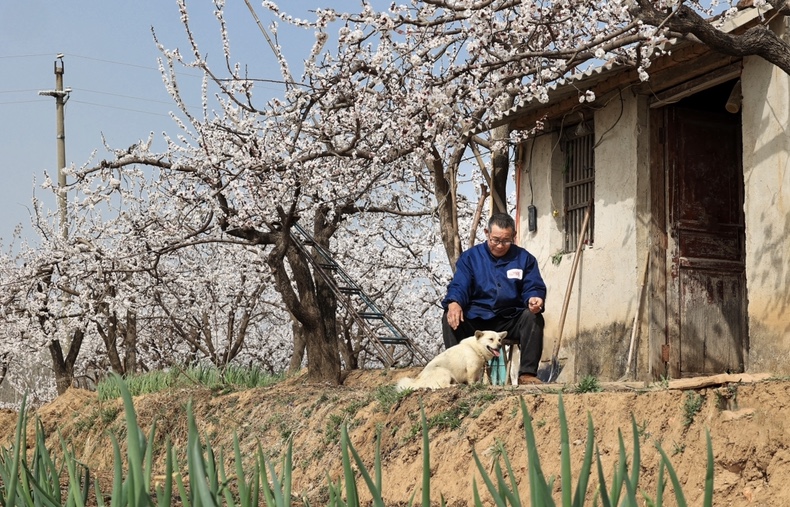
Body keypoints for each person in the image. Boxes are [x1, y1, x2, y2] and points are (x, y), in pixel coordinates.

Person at [441, 213, 546, 385]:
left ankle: (527, 374)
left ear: (514, 236)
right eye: (495, 240)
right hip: (477, 318)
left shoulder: (524, 259)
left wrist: (534, 298)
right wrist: (454, 302)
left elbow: (533, 285)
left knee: (533, 318)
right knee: (450, 317)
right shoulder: (470, 258)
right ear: (487, 233)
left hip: (510, 318)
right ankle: (457, 375)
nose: (500, 245)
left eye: (506, 241)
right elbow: (460, 285)